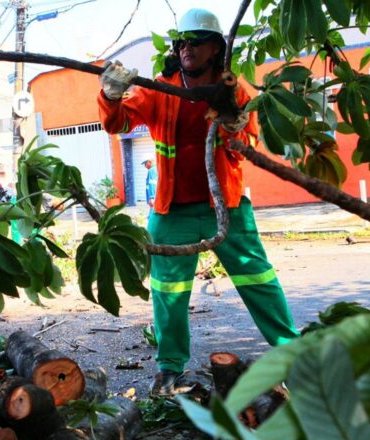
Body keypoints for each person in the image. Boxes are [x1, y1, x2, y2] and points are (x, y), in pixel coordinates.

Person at [97, 8, 299, 396]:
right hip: (172, 211)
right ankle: (170, 370)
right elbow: (118, 123)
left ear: (215, 48)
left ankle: (293, 358)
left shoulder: (233, 89)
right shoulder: (159, 87)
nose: (187, 48)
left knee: (260, 281)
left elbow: (248, 144)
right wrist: (110, 94)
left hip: (226, 207)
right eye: (182, 42)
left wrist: (237, 126)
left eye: (197, 41)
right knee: (168, 294)